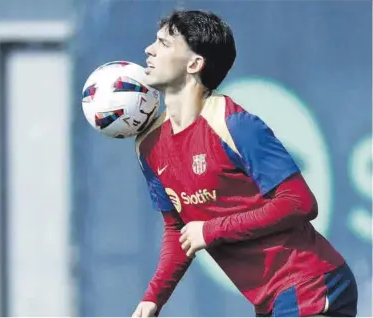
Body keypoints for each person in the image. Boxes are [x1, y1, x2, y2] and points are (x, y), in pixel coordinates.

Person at [132, 9, 357, 317]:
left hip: (310, 283)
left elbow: (300, 202)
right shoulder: (149, 147)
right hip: (273, 300)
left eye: (164, 44)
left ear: (194, 63)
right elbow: (179, 230)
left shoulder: (235, 125)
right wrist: (153, 297)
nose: (149, 50)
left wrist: (211, 230)